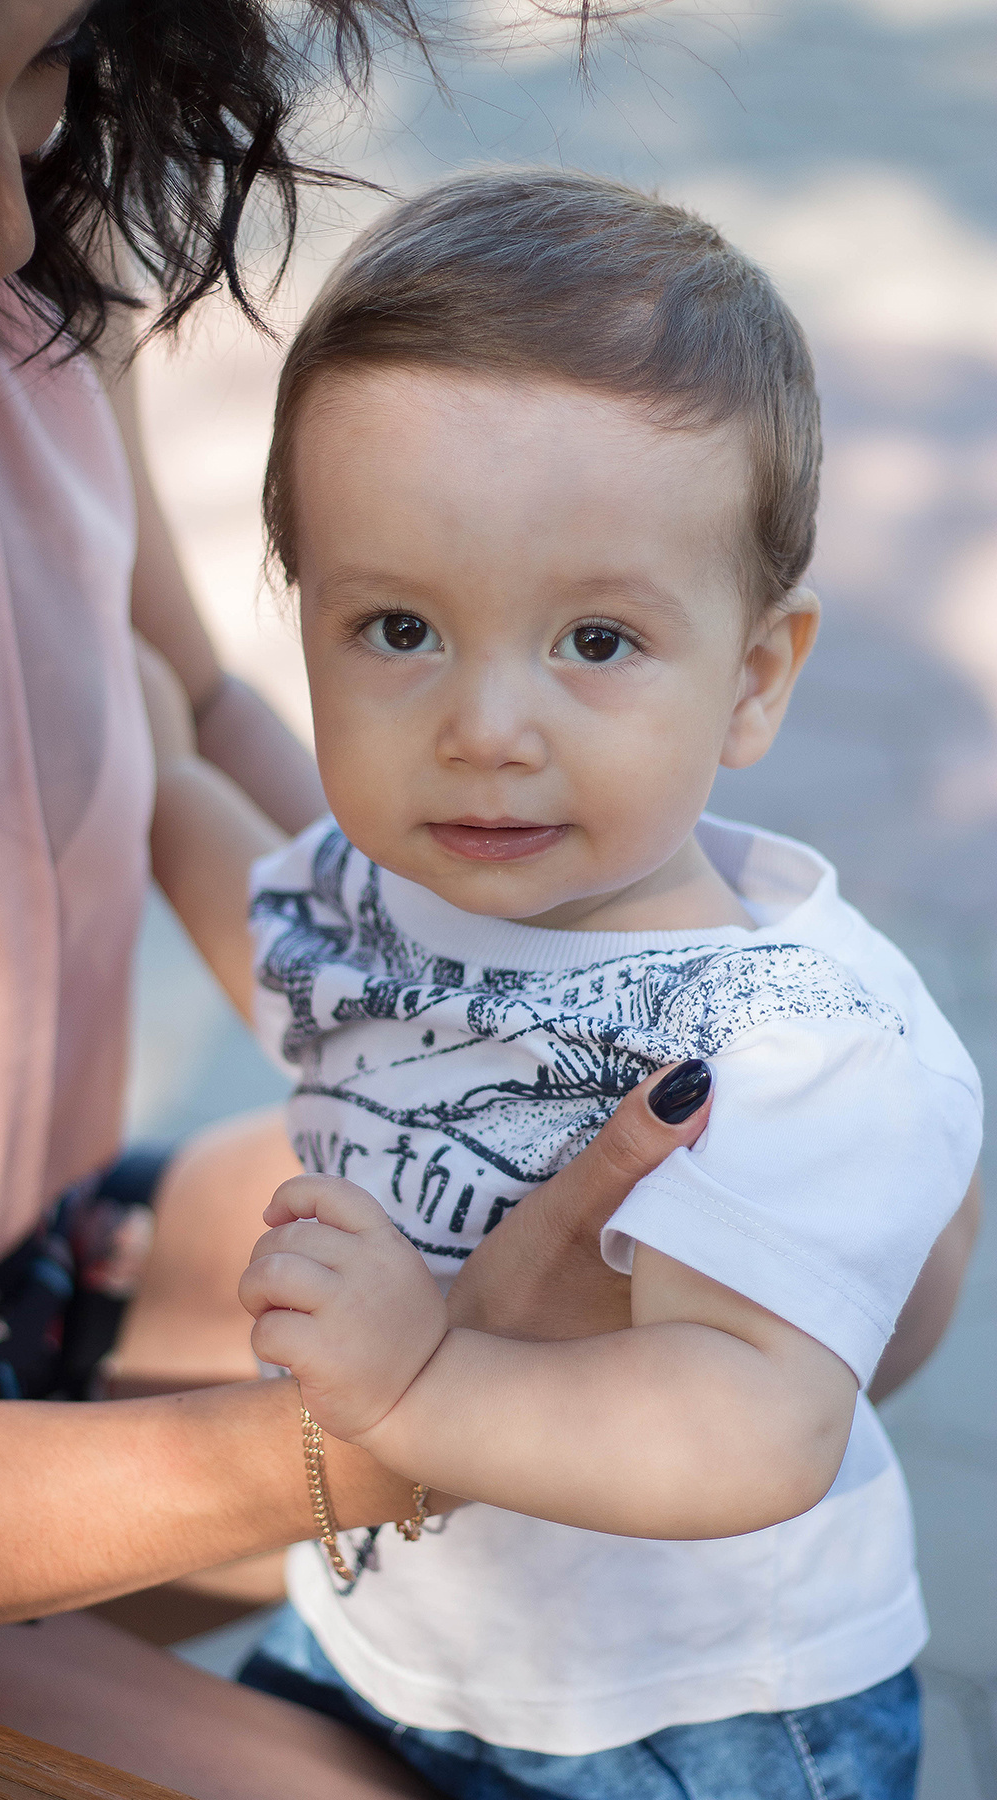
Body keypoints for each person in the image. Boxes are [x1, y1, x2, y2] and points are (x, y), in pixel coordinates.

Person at [0, 8, 729, 1796]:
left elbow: (191, 717)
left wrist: (594, 1031)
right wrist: (385, 1440)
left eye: (46, 61)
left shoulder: (14, 299)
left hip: (45, 1287)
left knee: (749, 1268)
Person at [149, 171, 984, 1799]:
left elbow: (757, 1429)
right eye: (397, 627)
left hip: (693, 1718)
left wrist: (417, 1386)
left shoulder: (793, 1042)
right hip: (390, 1629)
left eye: (595, 643)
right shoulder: (381, 884)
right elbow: (282, 949)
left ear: (754, 678)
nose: (485, 726)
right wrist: (120, 759)